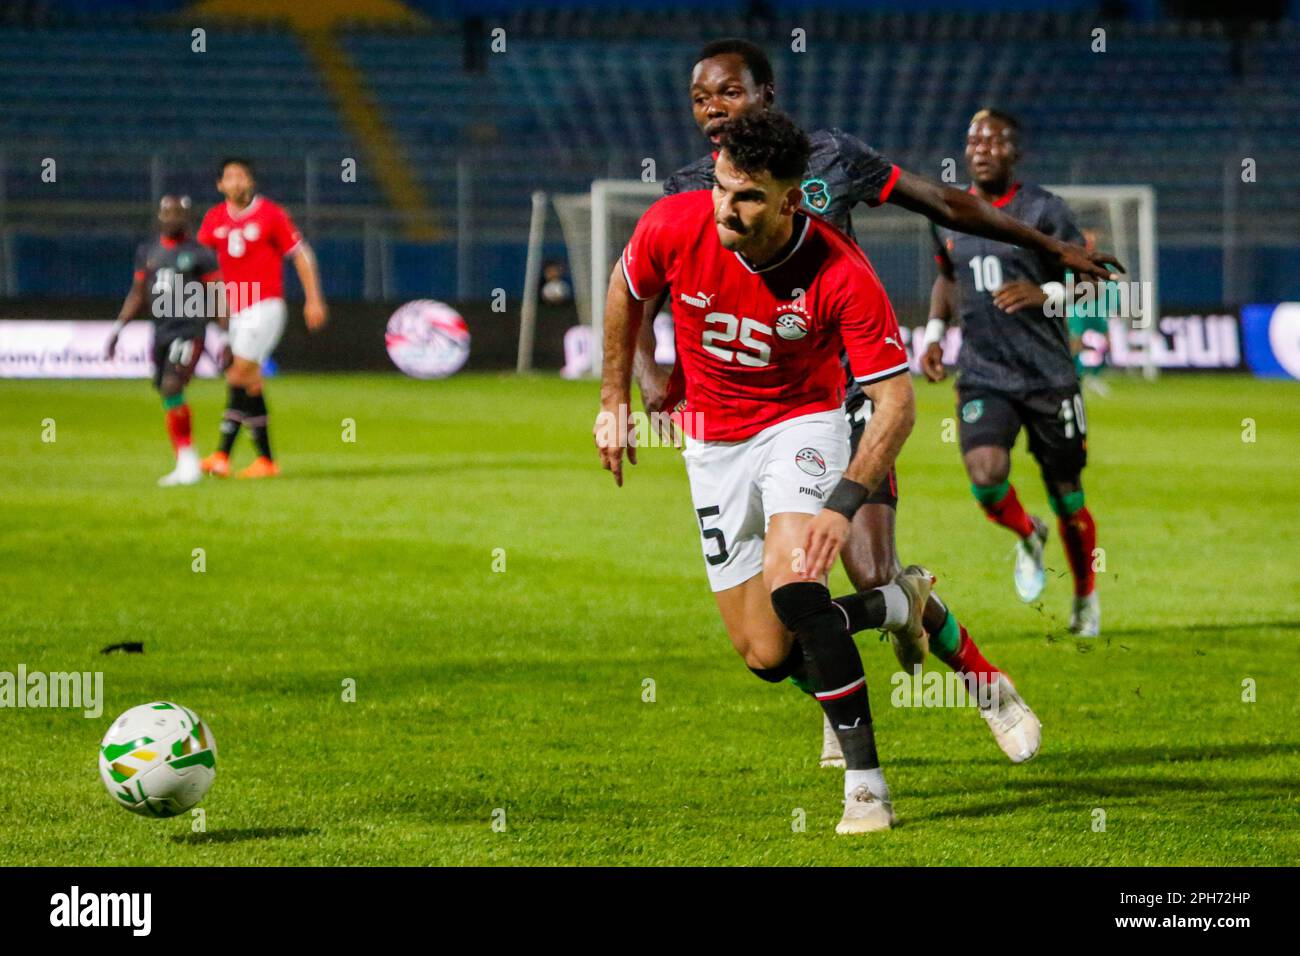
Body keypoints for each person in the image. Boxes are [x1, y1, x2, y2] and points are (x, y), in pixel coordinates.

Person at [638, 38, 1061, 764]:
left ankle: (988, 689)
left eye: (729, 93)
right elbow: (638, 292)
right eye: (701, 98)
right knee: (779, 626)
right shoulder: (690, 191)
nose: (714, 109)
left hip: (844, 397)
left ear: (765, 95)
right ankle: (850, 689)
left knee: (866, 569)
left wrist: (1051, 249)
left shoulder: (831, 155)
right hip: (749, 419)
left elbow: (944, 201)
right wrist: (648, 378)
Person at [597, 111, 942, 833]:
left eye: (748, 196)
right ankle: (899, 605)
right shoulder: (673, 223)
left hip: (801, 425)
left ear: (792, 200)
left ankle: (867, 788)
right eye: (723, 187)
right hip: (712, 446)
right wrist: (614, 398)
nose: (727, 206)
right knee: (765, 652)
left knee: (797, 591)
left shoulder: (841, 270)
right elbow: (625, 286)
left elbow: (897, 403)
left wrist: (843, 504)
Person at [921, 109, 1101, 636]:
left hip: (1048, 376)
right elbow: (948, 278)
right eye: (974, 139)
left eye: (994, 141)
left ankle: (1085, 596)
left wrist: (1043, 292)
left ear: (1014, 153)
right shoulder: (949, 210)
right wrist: (934, 335)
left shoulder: (1045, 210)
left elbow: (1090, 282)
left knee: (1067, 494)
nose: (981, 148)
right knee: (985, 474)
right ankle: (1027, 534)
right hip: (984, 373)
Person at [196, 157, 327, 479]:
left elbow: (302, 254)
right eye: (230, 177)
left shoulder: (271, 214)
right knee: (251, 382)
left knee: (238, 373)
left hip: (264, 306)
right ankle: (266, 461)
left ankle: (221, 455)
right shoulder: (214, 218)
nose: (237, 182)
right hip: (235, 310)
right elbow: (199, 262)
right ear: (220, 185)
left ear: (251, 182)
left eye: (242, 176)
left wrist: (313, 298)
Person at [106, 195, 223, 487]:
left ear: (188, 219)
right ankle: (185, 460)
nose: (173, 218)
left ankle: (188, 465)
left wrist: (226, 336)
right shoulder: (149, 252)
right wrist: (118, 328)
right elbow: (138, 294)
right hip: (161, 332)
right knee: (167, 392)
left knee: (173, 384)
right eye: (168, 213)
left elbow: (219, 295)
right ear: (159, 217)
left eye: (179, 214)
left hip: (189, 330)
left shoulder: (200, 254)